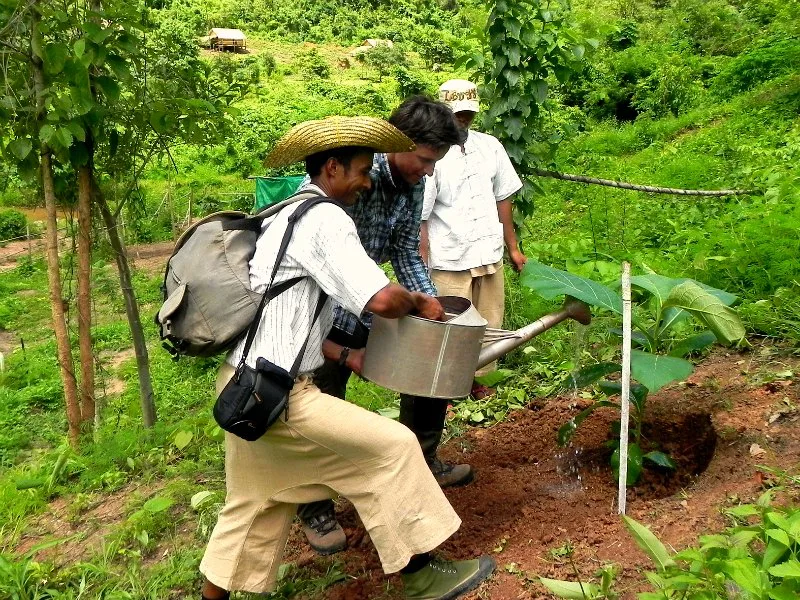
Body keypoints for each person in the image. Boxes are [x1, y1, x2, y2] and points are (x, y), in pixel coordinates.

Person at [199, 116, 495, 600]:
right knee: (392, 449)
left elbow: (290, 313)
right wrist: (420, 303)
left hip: (243, 383)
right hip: (280, 396)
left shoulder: (285, 212)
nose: (366, 180)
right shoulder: (325, 217)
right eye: (360, 170)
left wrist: (343, 351)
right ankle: (420, 577)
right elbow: (379, 299)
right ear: (332, 168)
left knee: (252, 504)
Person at [297, 96, 473, 555]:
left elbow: (405, 250)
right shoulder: (347, 173)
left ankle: (424, 458)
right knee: (321, 405)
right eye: (426, 160)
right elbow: (330, 265)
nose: (429, 172)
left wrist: (427, 305)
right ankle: (314, 504)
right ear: (401, 143)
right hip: (325, 306)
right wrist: (387, 306)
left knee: (429, 360)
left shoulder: (412, 185)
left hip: (374, 295)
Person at [421, 79, 527, 399]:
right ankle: (447, 389)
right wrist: (421, 257)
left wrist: (513, 247)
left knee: (489, 324)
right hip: (450, 257)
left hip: (488, 251)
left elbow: (503, 197)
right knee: (451, 327)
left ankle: (480, 382)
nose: (462, 121)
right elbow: (422, 215)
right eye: (456, 114)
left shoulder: (490, 146)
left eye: (467, 114)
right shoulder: (433, 155)